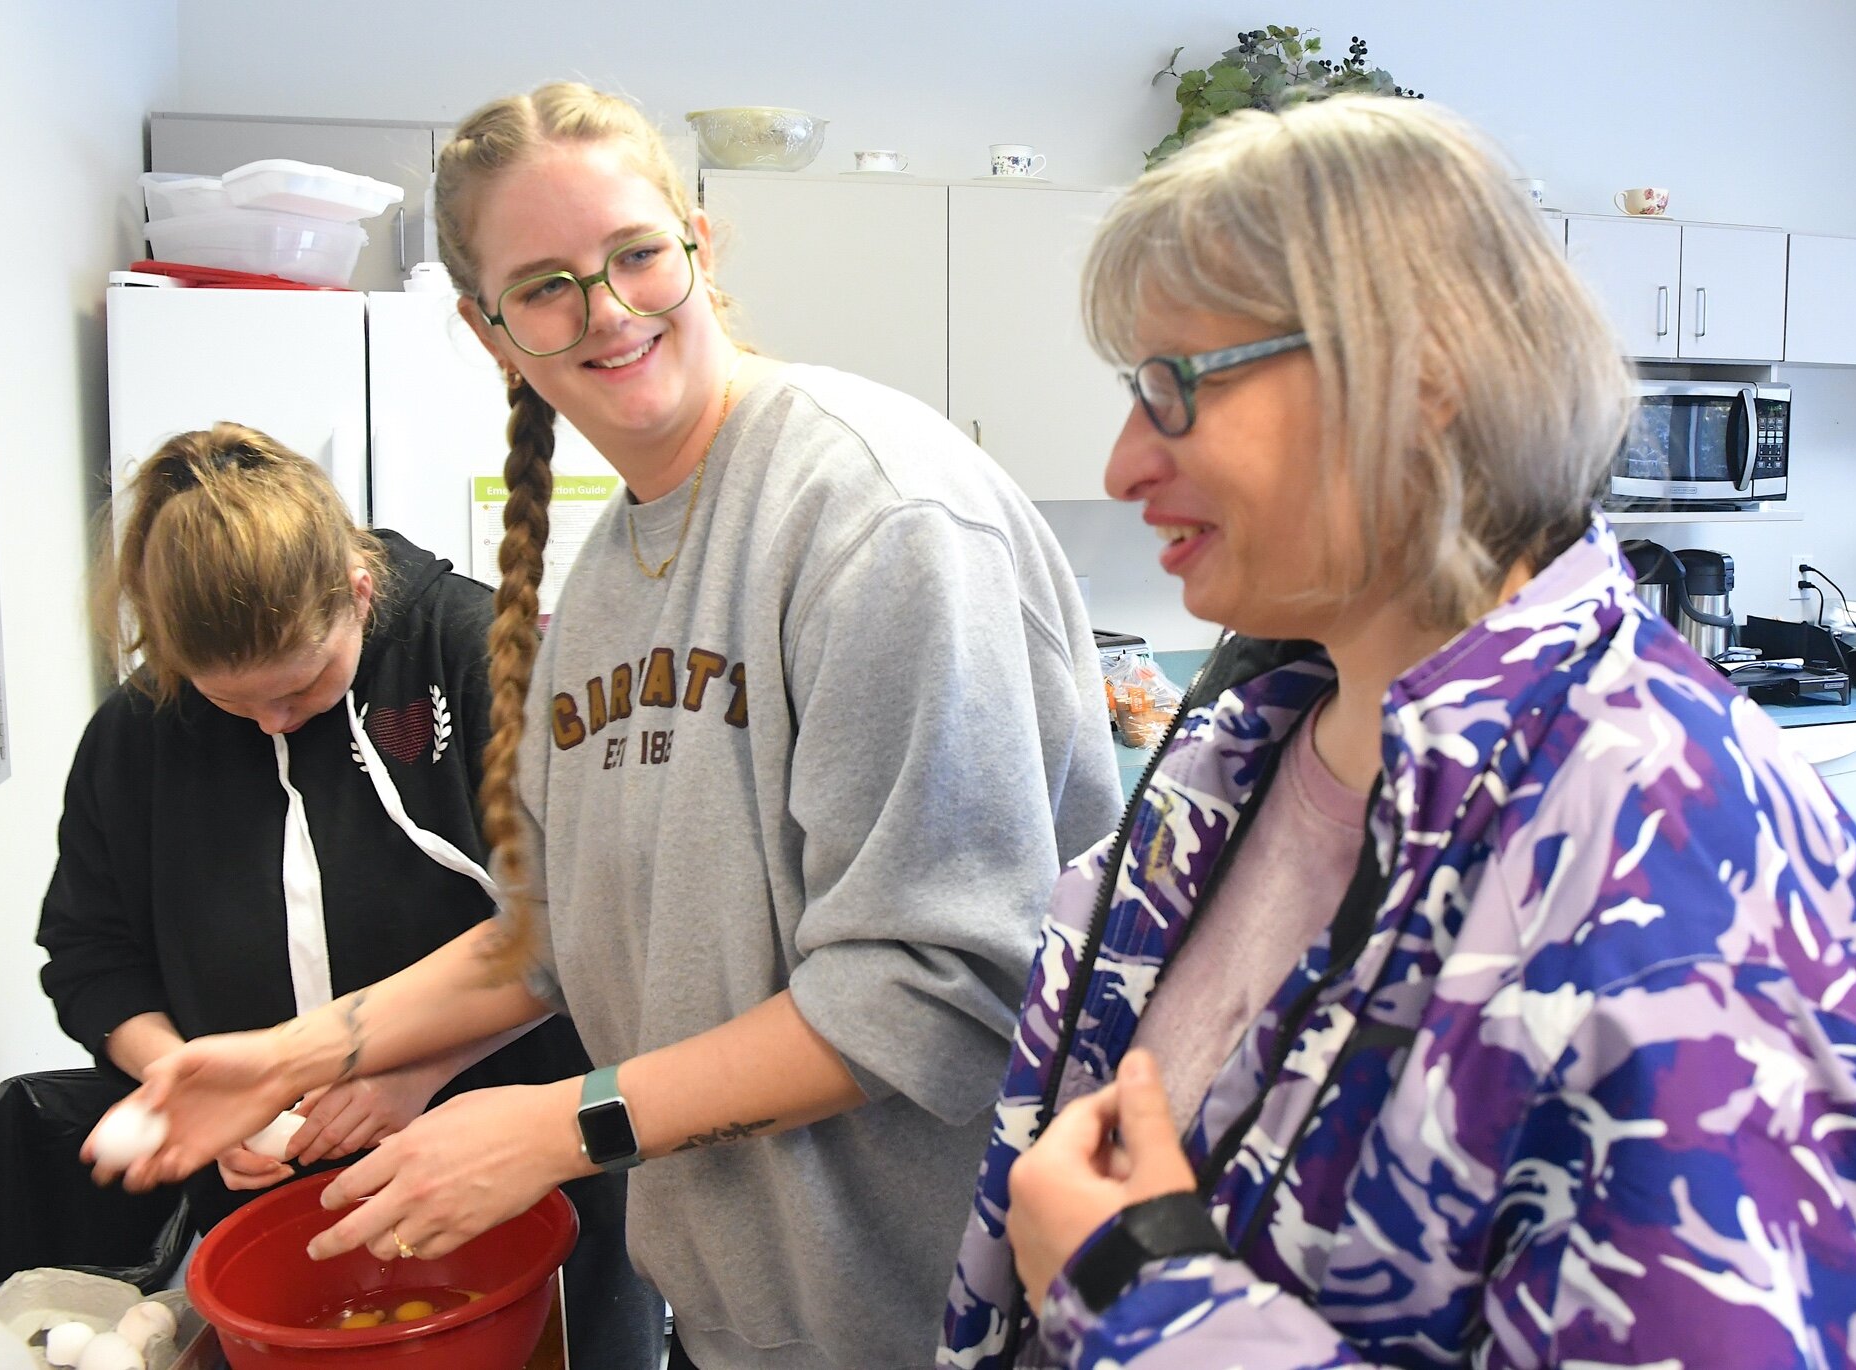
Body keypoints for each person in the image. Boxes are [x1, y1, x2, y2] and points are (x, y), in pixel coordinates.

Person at [84, 86, 1123, 1370]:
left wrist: (553, 1127)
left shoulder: (873, 516)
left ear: (698, 241)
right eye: (546, 286)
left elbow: (933, 983)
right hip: (746, 1315)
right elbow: (559, 935)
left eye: (636, 256)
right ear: (488, 328)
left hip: (937, 1319)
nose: (610, 311)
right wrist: (287, 1054)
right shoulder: (599, 591)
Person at [942, 96, 1856, 1368]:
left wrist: (1130, 1290)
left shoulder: (1672, 870)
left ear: (1421, 377)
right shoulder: (1240, 753)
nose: (1126, 461)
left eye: (1173, 387)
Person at [36, 424, 663, 1369]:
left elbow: (582, 926)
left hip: (523, 1166)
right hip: (272, 1210)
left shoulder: (479, 656)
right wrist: (195, 1086)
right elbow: (89, 955)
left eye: (300, 688)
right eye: (233, 703)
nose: (273, 723)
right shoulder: (136, 735)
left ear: (359, 595)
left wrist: (418, 1072)